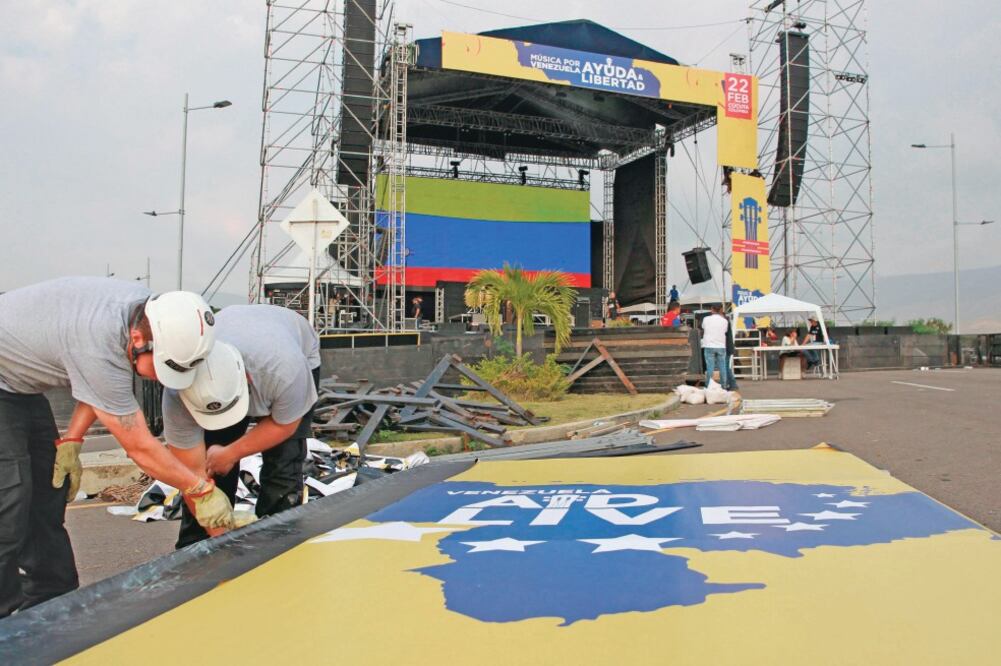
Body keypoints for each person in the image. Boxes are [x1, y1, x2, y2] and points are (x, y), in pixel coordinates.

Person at [0, 277, 243, 618]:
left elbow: (96, 386)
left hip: (19, 386)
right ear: (138, 339)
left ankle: (50, 599)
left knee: (47, 489)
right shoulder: (98, 339)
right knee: (9, 495)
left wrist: (71, 440)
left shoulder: (152, 314)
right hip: (4, 380)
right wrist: (199, 489)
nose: (160, 380)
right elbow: (140, 447)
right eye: (160, 368)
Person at [162, 304, 321, 548]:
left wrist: (231, 452)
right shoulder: (178, 393)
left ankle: (277, 544)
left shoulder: (285, 370)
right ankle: (194, 548)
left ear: (245, 381)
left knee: (283, 463)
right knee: (211, 467)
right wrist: (216, 532)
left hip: (290, 347)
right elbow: (192, 474)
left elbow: (284, 426)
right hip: (241, 338)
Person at [700, 304, 728, 387]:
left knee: (710, 367)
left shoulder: (706, 319)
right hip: (721, 345)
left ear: (712, 309)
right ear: (720, 310)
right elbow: (725, 331)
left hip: (709, 345)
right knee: (722, 367)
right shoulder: (724, 320)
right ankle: (724, 386)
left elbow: (703, 327)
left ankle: (708, 386)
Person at [723, 314, 739, 391]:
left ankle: (732, 384)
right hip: (729, 348)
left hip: (727, 348)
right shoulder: (727, 322)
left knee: (726, 367)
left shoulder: (725, 323)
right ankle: (731, 384)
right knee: (726, 367)